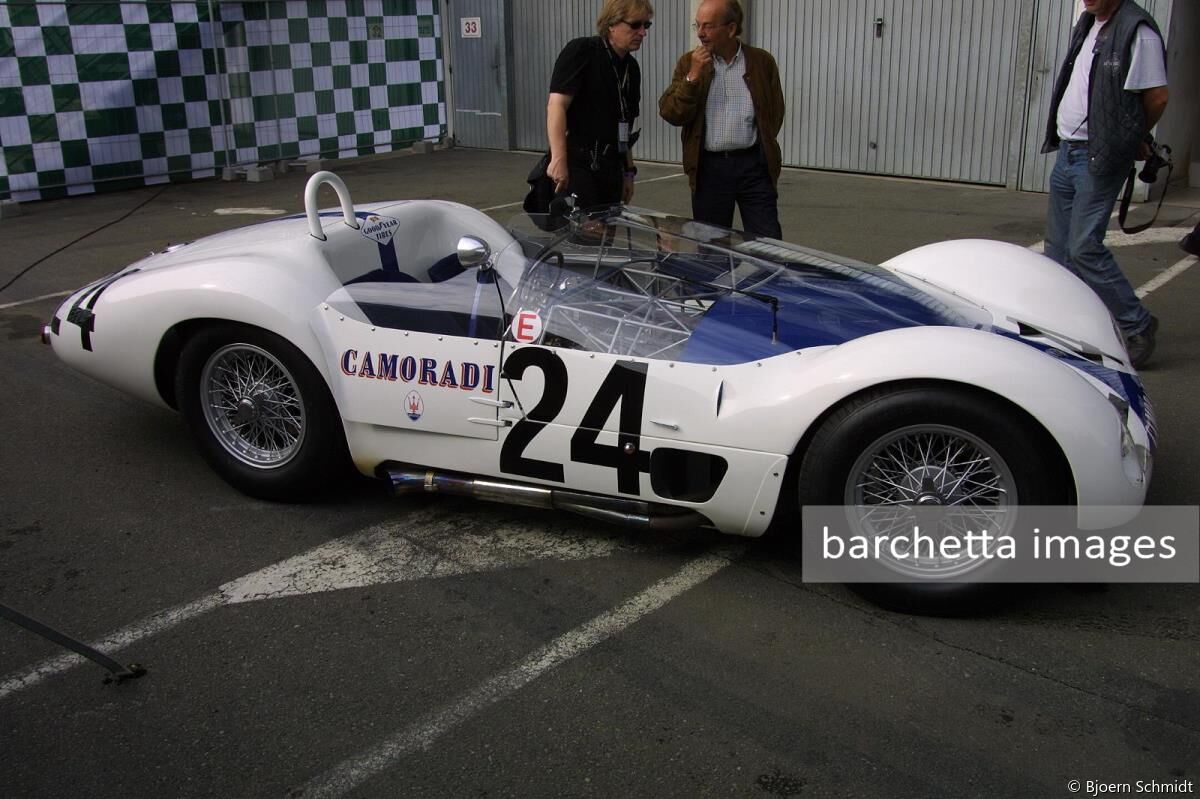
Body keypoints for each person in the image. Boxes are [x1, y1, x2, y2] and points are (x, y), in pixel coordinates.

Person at [1042, 0, 1168, 369]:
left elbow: (1157, 95)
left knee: (1084, 247)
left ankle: (1137, 324)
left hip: (1099, 155)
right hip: (1068, 151)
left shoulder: (1136, 30)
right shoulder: (1088, 23)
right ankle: (1068, 327)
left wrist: (1131, 134)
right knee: (1059, 250)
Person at [658, 0, 784, 239]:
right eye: (698, 26)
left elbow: (774, 114)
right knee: (711, 245)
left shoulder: (761, 62)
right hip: (710, 169)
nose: (701, 34)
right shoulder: (689, 62)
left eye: (708, 26)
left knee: (769, 243)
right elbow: (671, 112)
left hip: (753, 166)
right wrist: (693, 77)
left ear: (731, 29)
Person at [546, 0, 653, 212]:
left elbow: (625, 126)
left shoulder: (631, 69)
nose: (642, 33)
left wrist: (628, 172)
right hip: (580, 164)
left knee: (607, 234)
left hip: (611, 166)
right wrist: (558, 158)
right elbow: (556, 105)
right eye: (635, 25)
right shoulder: (583, 51)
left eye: (646, 26)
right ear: (612, 24)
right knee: (586, 235)